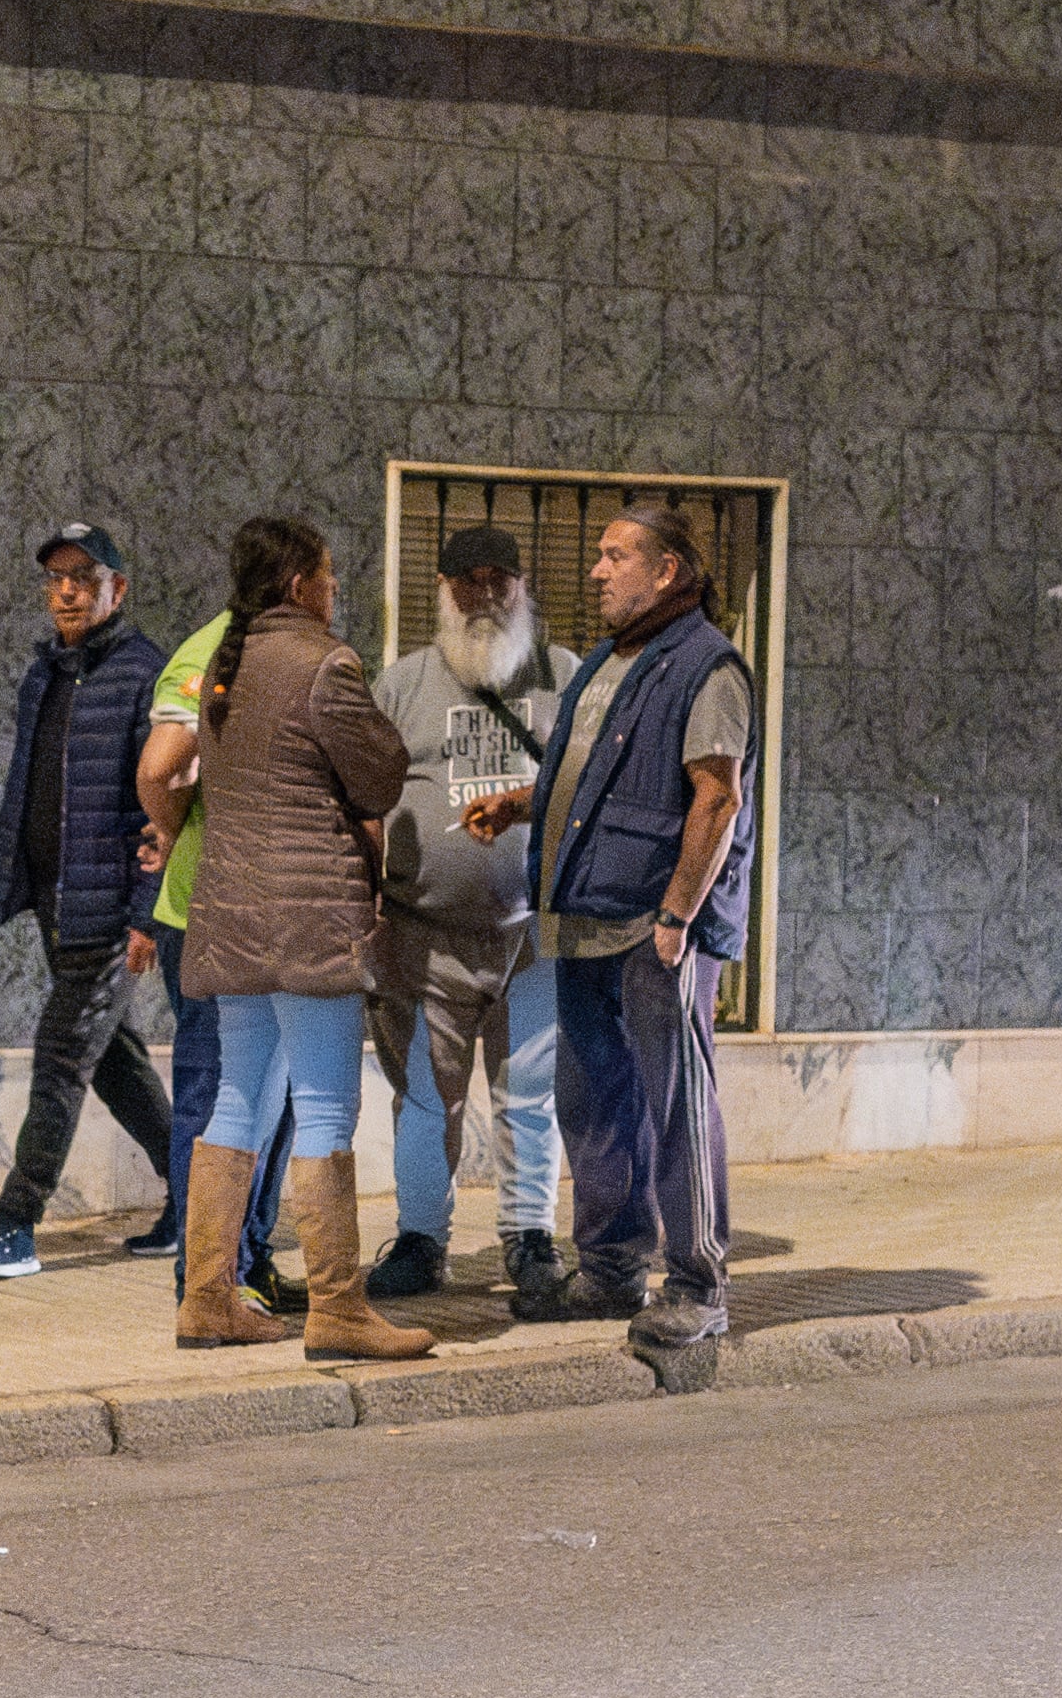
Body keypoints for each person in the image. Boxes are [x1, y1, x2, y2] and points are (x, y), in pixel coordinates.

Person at [464, 505, 755, 1348]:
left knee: (675, 1104)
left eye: (614, 555)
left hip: (653, 926)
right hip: (585, 916)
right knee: (594, 1101)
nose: (597, 570)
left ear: (666, 571)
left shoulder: (708, 666)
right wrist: (522, 803)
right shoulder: (612, 661)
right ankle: (612, 1272)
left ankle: (698, 1286)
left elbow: (719, 795)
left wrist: (678, 916)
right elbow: (590, 773)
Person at [175, 517, 430, 1361]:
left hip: (233, 911)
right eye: (327, 575)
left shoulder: (225, 663)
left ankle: (207, 1293)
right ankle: (339, 1308)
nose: (334, 589)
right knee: (324, 1102)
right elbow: (381, 774)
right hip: (309, 915)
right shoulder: (325, 662)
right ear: (297, 586)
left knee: (237, 1094)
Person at [0, 521, 173, 1277]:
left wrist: (147, 913)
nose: (67, 590)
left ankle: (16, 1220)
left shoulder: (144, 673)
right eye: (56, 578)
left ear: (118, 588)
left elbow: (164, 806)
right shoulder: (46, 672)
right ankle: (201, 1198)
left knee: (60, 1054)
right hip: (56, 896)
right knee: (110, 1059)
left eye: (83, 575)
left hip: (109, 907)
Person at [362, 524, 576, 1316]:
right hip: (423, 939)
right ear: (442, 591)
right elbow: (365, 806)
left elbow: (589, 783)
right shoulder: (401, 685)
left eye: (500, 580)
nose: (483, 595)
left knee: (530, 1094)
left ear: (524, 587)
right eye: (466, 581)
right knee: (424, 1097)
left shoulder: (565, 677)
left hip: (533, 938)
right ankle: (421, 1239)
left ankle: (529, 1237)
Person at [135, 605, 298, 1310]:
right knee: (221, 1094)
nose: (332, 595)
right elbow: (161, 768)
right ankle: (211, 1279)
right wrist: (179, 833)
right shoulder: (220, 652)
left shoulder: (248, 649)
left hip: (251, 914)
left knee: (273, 1097)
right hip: (219, 913)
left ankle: (248, 1261)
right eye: (324, 579)